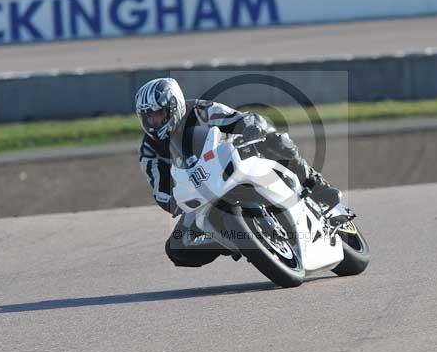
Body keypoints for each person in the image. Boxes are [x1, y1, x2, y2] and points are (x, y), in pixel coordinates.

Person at [135, 77, 341, 268]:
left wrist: (251, 127)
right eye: (148, 117)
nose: (154, 122)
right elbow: (160, 189)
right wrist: (173, 200)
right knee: (176, 249)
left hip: (231, 161)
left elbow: (236, 118)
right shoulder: (149, 150)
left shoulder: (200, 110)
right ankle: (232, 239)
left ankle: (316, 185)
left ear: (174, 106)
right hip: (201, 192)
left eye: (158, 114)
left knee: (276, 140)